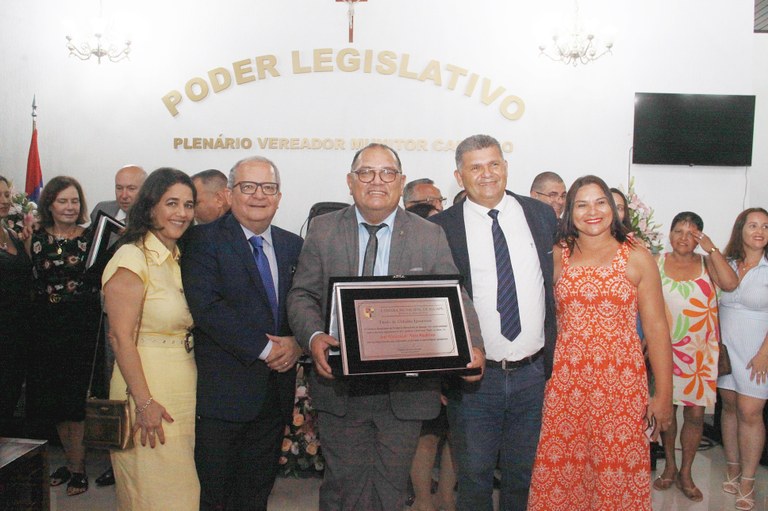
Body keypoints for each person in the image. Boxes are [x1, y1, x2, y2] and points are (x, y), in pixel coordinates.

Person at [287, 143, 485, 511]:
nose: (377, 181)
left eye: (387, 173)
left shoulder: (428, 234)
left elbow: (454, 295)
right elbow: (302, 295)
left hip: (405, 391)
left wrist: (472, 345)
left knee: (391, 489)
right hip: (340, 386)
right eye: (366, 172)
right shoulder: (324, 230)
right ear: (350, 182)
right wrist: (313, 336)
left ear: (401, 181)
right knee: (343, 487)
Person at [527, 175, 673, 511]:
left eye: (600, 202)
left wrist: (664, 394)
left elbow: (656, 330)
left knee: (616, 472)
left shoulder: (636, 257)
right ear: (569, 211)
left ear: (613, 208)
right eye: (582, 204)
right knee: (564, 473)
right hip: (566, 387)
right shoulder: (558, 256)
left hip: (622, 388)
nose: (592, 211)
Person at [431, 135, 558, 511]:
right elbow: (435, 303)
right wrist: (441, 372)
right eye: (475, 167)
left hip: (532, 376)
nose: (487, 174)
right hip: (474, 380)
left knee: (523, 477)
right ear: (459, 176)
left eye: (494, 164)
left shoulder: (540, 215)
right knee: (473, 480)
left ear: (505, 167)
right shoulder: (442, 228)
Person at [182, 156, 303, 511]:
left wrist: (297, 343)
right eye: (248, 186)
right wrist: (267, 350)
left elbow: (305, 303)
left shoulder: (293, 245)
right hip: (223, 397)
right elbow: (208, 308)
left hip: (274, 397)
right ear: (229, 194)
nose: (258, 195)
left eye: (268, 187)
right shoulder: (201, 240)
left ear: (279, 197)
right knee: (215, 498)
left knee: (255, 496)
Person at [102, 168, 199, 510]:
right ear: (150, 206)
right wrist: (144, 403)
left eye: (188, 205)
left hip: (182, 386)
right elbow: (119, 337)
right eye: (171, 203)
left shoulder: (177, 257)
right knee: (155, 495)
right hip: (147, 389)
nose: (181, 213)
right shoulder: (132, 257)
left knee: (182, 491)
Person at [651, 212, 738, 501]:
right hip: (664, 351)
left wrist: (712, 249)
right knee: (667, 412)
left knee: (696, 414)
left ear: (700, 237)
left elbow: (730, 284)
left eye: (691, 233)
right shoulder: (656, 262)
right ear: (670, 234)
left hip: (699, 355)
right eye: (678, 231)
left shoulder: (707, 263)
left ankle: (686, 473)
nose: (683, 238)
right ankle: (670, 467)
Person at [25, 176, 101, 496]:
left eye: (74, 201)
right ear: (50, 204)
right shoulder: (35, 237)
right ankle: (70, 462)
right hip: (45, 324)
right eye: (62, 201)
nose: (70, 207)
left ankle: (78, 468)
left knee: (75, 398)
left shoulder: (92, 238)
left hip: (81, 325)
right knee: (55, 397)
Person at [89, 164, 147, 487]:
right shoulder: (103, 212)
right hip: (111, 316)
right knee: (115, 384)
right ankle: (116, 455)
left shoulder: (155, 217)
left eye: (131, 188)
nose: (124, 195)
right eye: (119, 188)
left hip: (149, 320)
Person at [718, 207, 768, 511]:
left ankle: (748, 480)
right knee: (729, 408)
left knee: (750, 412)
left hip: (757, 351)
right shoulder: (728, 264)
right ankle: (733, 468)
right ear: (741, 230)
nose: (760, 231)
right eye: (753, 225)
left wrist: (764, 353)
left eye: (765, 226)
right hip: (727, 349)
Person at [0, 176, 33, 436]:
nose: (3, 200)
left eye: (6, 194)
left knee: (9, 398)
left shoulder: (12, 235)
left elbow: (25, 275)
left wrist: (28, 244)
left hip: (17, 332)